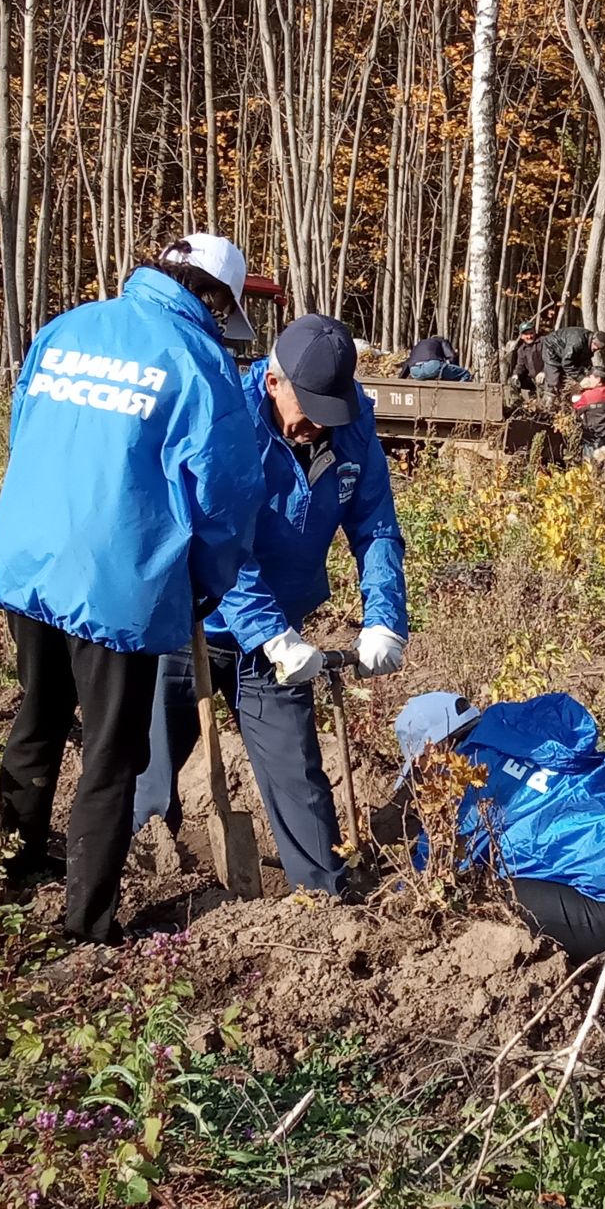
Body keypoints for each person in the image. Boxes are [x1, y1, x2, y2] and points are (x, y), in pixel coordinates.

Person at [0, 234, 266, 944]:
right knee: (112, 752)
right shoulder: (200, 363)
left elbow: (24, 428)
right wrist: (205, 581)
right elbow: (229, 496)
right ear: (217, 299)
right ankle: (89, 925)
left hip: (29, 562)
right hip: (117, 583)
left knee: (38, 718)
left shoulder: (68, 326)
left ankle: (9, 867)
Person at [134, 314, 410, 895]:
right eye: (307, 407)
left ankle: (326, 900)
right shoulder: (228, 416)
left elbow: (376, 526)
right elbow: (223, 536)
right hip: (193, 624)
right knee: (150, 769)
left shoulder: (350, 424)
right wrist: (268, 631)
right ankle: (138, 879)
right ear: (273, 383)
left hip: (279, 633)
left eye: (329, 410)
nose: (316, 425)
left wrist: (384, 616)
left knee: (300, 780)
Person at [393, 691, 605, 982]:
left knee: (482, 892)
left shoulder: (463, 780)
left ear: (432, 752)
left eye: (420, 770)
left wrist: (392, 898)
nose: (422, 782)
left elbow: (432, 875)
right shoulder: (526, 736)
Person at [400, 335, 472, 382]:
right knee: (465, 374)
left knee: (434, 373)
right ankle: (457, 396)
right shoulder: (441, 341)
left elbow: (407, 363)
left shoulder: (420, 344)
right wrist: (454, 372)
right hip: (432, 367)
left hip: (415, 370)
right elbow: (451, 356)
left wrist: (399, 380)